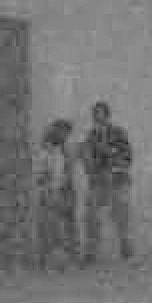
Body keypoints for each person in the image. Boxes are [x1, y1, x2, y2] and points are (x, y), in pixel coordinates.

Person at [81, 100, 133, 262]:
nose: (98, 117)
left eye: (101, 114)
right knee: (91, 214)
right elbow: (87, 159)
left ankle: (126, 246)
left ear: (107, 115)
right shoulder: (91, 136)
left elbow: (128, 155)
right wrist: (89, 162)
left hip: (118, 179)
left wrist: (113, 156)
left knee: (121, 214)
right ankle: (91, 250)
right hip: (99, 180)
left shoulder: (118, 132)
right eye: (95, 115)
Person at [34, 118, 77, 268]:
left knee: (66, 225)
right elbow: (41, 175)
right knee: (51, 226)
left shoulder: (65, 149)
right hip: (52, 192)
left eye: (67, 132)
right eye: (62, 131)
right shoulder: (47, 151)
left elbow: (69, 170)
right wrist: (48, 187)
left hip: (65, 191)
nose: (65, 135)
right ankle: (48, 258)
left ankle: (68, 256)